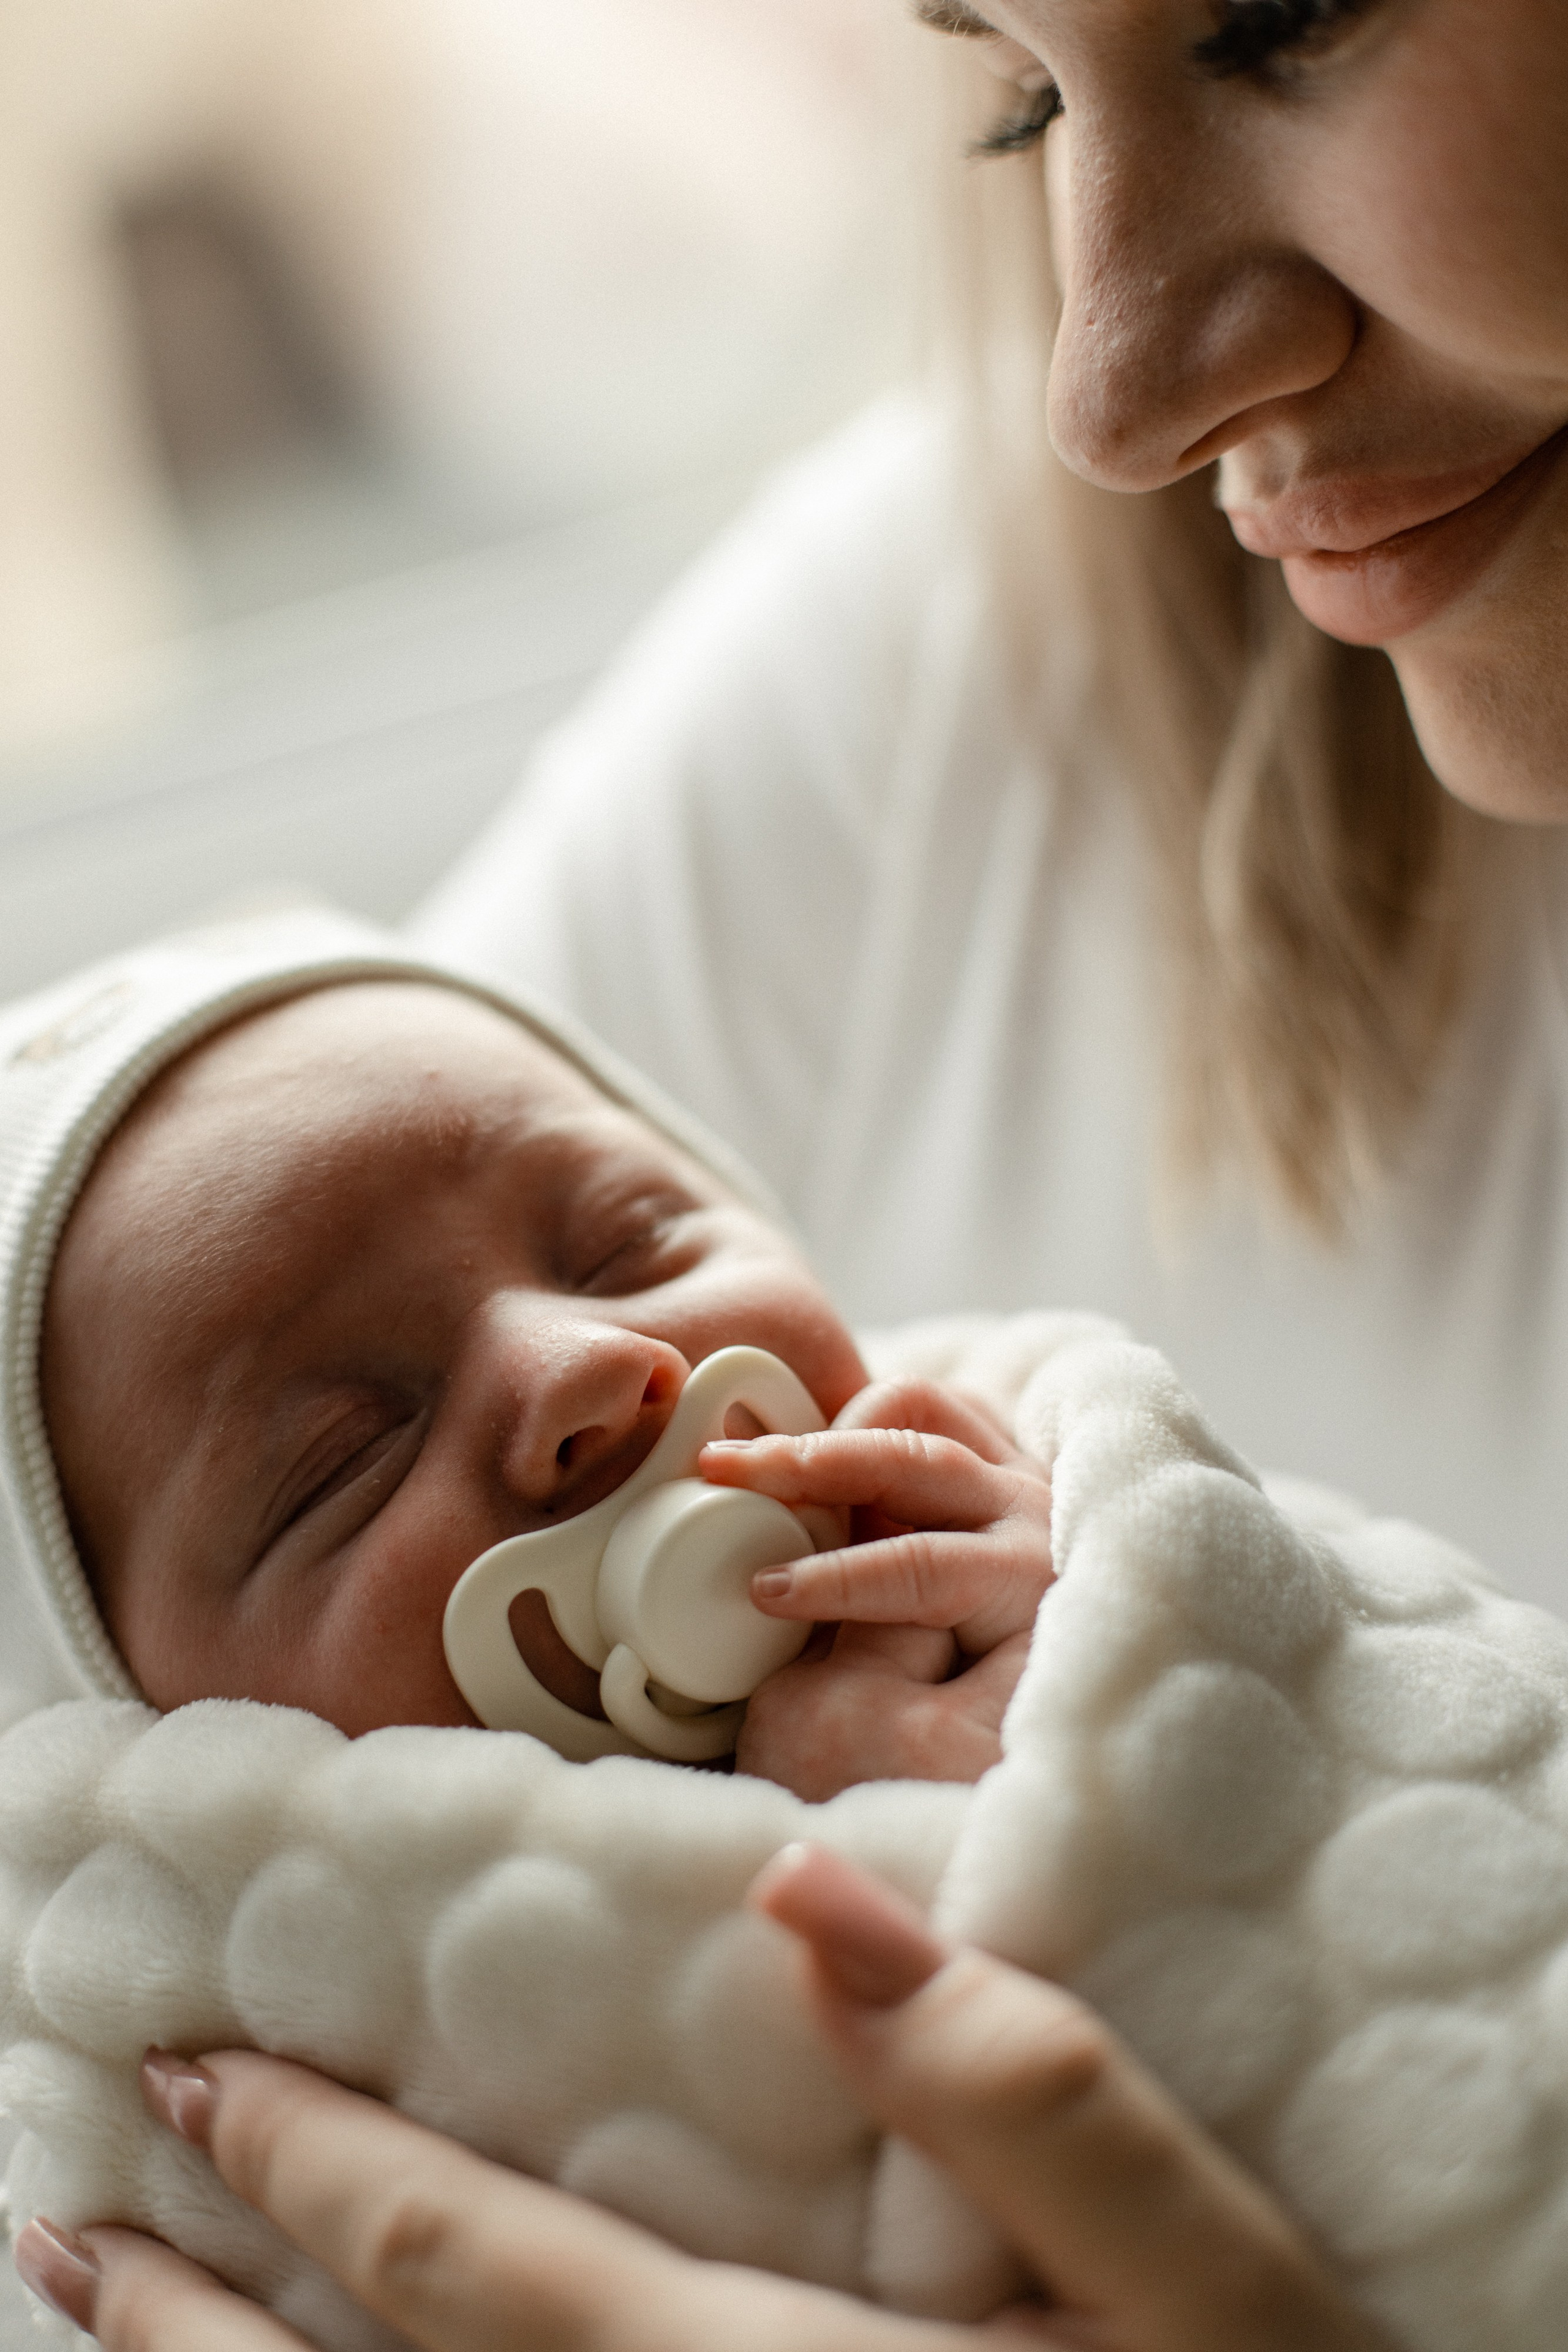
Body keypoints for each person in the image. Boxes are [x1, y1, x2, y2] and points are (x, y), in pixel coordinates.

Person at [24, 0, 1568, 2340]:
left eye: (1289, 15)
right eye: (1021, 93)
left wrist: (1107, 1684)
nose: (1113, 395)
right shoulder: (961, 698)